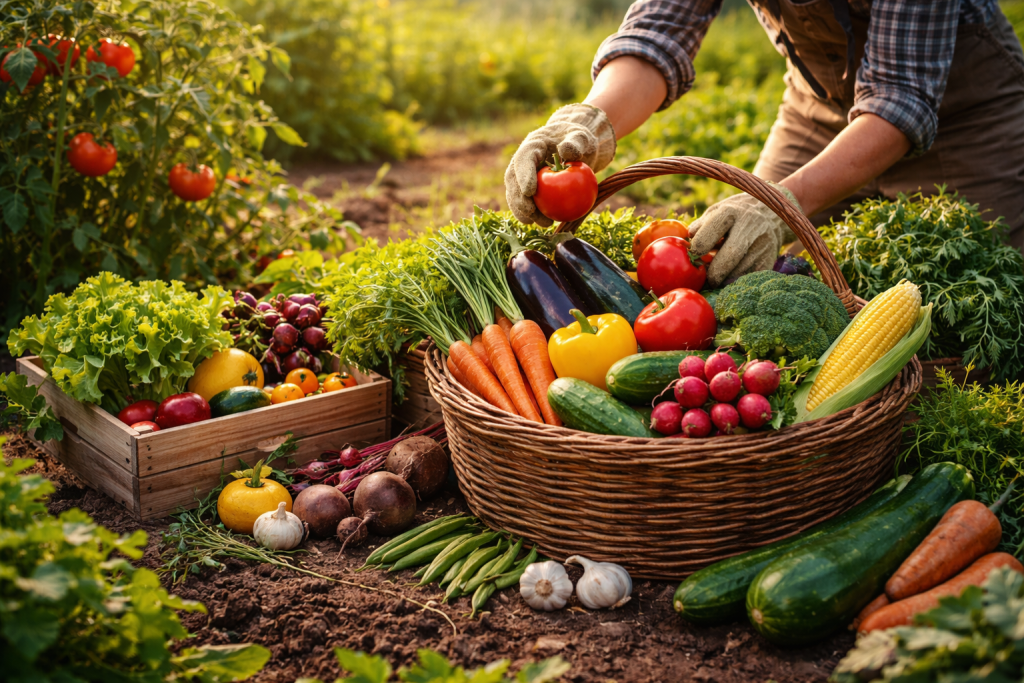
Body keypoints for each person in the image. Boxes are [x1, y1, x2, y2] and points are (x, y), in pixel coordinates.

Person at [504, 0, 1024, 287]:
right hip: (818, 106)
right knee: (729, 269)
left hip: (970, 117)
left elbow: (900, 97)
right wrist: (589, 121)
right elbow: (658, 33)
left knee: (982, 297)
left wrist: (781, 203)